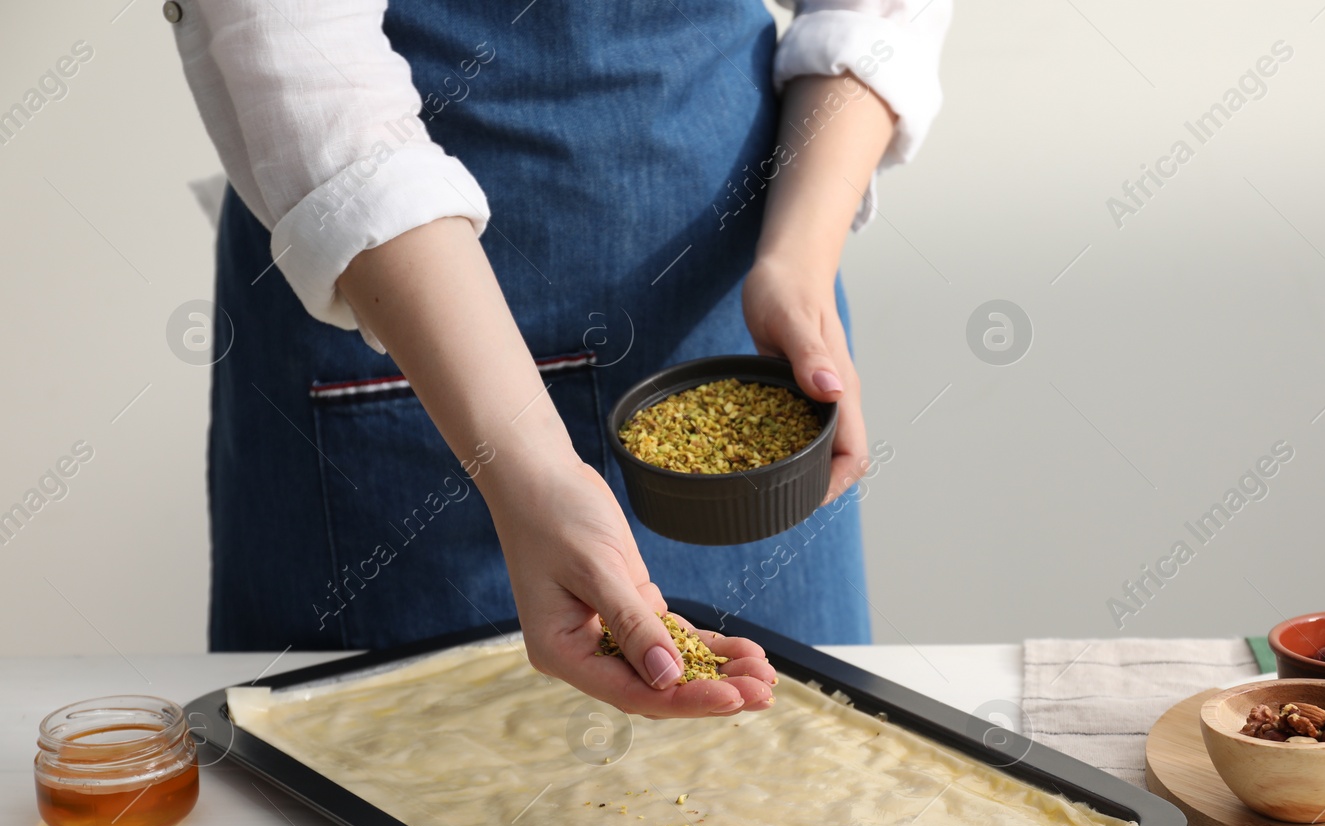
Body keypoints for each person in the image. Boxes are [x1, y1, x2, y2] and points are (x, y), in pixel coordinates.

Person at [167, 0, 950, 718]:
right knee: (380, 807)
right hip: (391, 319)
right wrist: (527, 464)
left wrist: (799, 264)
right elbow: (298, 57)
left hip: (730, 306)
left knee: (801, 787)